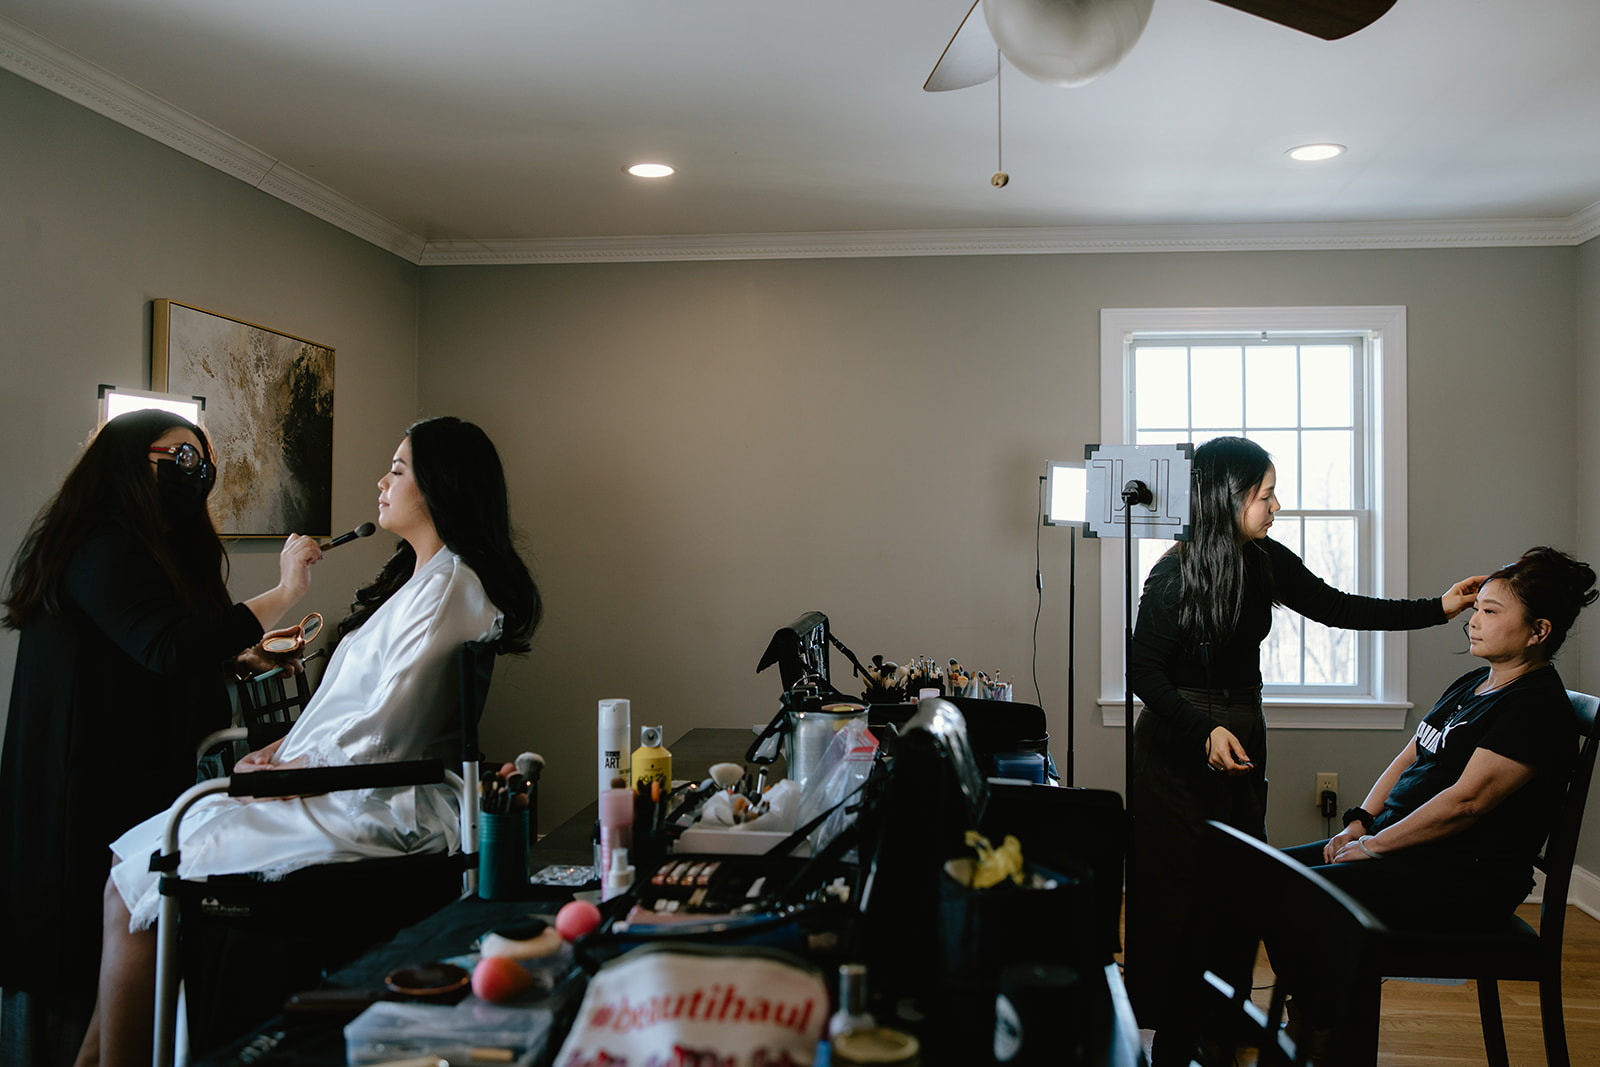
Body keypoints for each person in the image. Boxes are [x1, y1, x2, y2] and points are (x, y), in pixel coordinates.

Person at [77, 416, 541, 1067]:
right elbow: (361, 711)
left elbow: (386, 730)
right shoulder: (422, 584)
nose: (382, 481)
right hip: (344, 782)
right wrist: (287, 745)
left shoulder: (449, 591)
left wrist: (293, 765)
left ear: (439, 486)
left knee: (140, 876)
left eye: (399, 469)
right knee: (131, 877)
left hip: (373, 804)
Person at [1123, 436, 1484, 1063]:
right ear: (1227, 498)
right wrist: (1202, 731)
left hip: (1243, 735)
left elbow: (1337, 607)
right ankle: (1169, 1029)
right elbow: (1144, 674)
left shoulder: (1264, 559)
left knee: (1241, 883)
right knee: (1178, 891)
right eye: (1264, 495)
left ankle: (1223, 1018)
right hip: (1177, 748)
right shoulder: (1172, 574)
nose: (1276, 505)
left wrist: (1438, 608)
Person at [0, 410, 320, 1067]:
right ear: (125, 458)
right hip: (83, 789)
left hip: (140, 779)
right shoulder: (97, 542)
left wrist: (242, 657)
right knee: (80, 973)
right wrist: (285, 591)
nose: (194, 474)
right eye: (178, 459)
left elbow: (167, 641)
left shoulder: (158, 548)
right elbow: (165, 646)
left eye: (202, 465)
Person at [1277, 546, 1596, 1064]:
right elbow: (1411, 753)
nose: (1473, 620)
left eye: (1491, 612)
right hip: (1407, 850)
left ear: (1538, 631)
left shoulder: (1536, 707)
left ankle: (1324, 1037)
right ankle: (1314, 1024)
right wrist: (1361, 822)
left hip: (1462, 878)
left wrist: (1376, 847)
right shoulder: (1476, 682)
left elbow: (1466, 803)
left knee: (1304, 901)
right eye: (1477, 608)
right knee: (1273, 875)